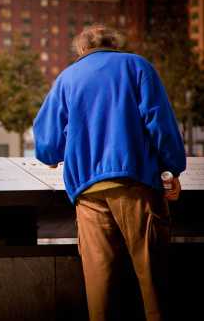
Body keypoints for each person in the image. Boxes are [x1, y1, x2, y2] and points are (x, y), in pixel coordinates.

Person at [32, 24, 186, 321]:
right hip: (138, 185)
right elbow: (160, 123)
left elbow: (48, 144)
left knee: (99, 282)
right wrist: (171, 168)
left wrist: (55, 155)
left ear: (82, 49)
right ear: (116, 44)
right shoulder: (137, 66)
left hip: (88, 193)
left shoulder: (67, 78)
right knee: (153, 280)